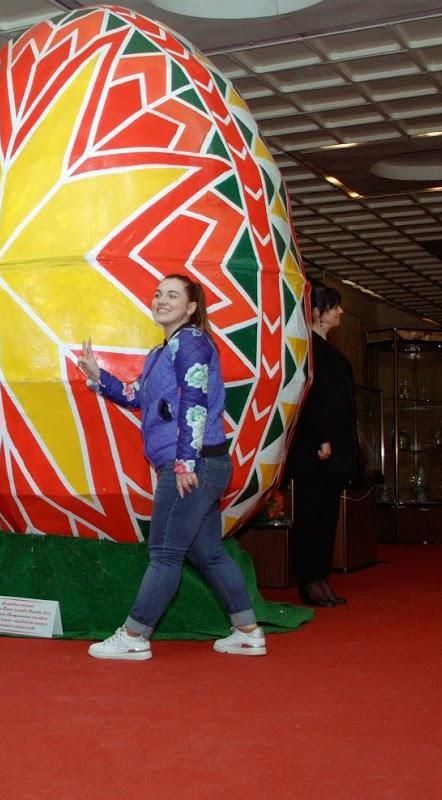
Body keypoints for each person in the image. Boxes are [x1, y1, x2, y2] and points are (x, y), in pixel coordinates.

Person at [78, 274, 266, 660]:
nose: (161, 300)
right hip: (203, 464)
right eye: (159, 294)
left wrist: (184, 463)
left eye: (173, 295)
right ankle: (247, 631)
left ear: (192, 307)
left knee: (164, 553)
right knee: (209, 553)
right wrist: (100, 378)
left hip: (193, 466)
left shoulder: (192, 342)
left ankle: (134, 635)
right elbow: (138, 398)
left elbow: (194, 401)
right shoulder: (162, 352)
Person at [287, 283, 357, 607]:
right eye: (334, 306)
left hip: (334, 449)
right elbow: (308, 399)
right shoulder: (306, 350)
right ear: (317, 311)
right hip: (314, 449)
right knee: (310, 515)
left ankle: (320, 577)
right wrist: (322, 438)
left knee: (327, 517)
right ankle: (308, 580)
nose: (340, 312)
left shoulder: (329, 352)